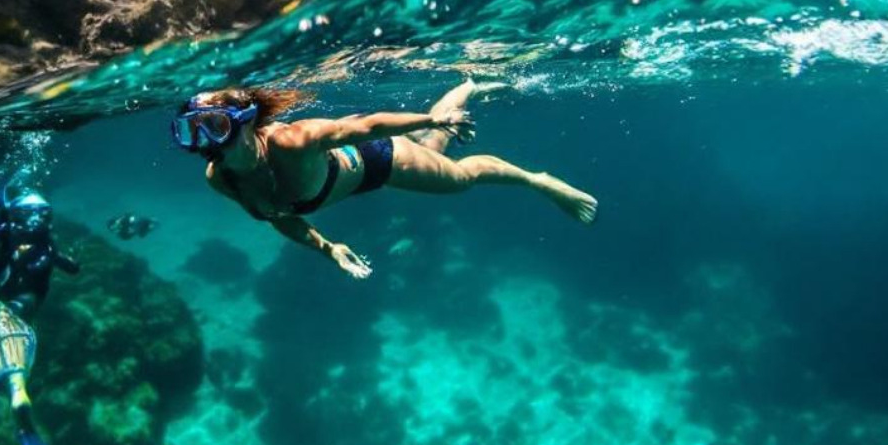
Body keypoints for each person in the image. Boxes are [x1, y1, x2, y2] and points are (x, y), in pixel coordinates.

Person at [171, 81, 597, 279]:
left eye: (213, 125)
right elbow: (279, 216)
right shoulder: (221, 179)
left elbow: (369, 125)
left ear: (245, 124)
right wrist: (327, 247)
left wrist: (433, 117)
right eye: (191, 132)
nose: (204, 142)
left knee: (458, 178)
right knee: (433, 147)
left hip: (378, 160)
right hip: (358, 172)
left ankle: (537, 180)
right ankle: (467, 85)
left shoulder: (292, 141)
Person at [0, 173, 80, 445]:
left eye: (40, 215)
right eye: (29, 215)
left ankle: (18, 393)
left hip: (9, 311)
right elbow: (69, 268)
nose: (35, 222)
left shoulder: (20, 244)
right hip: (10, 311)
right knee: (15, 366)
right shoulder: (13, 245)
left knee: (14, 361)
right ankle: (18, 394)